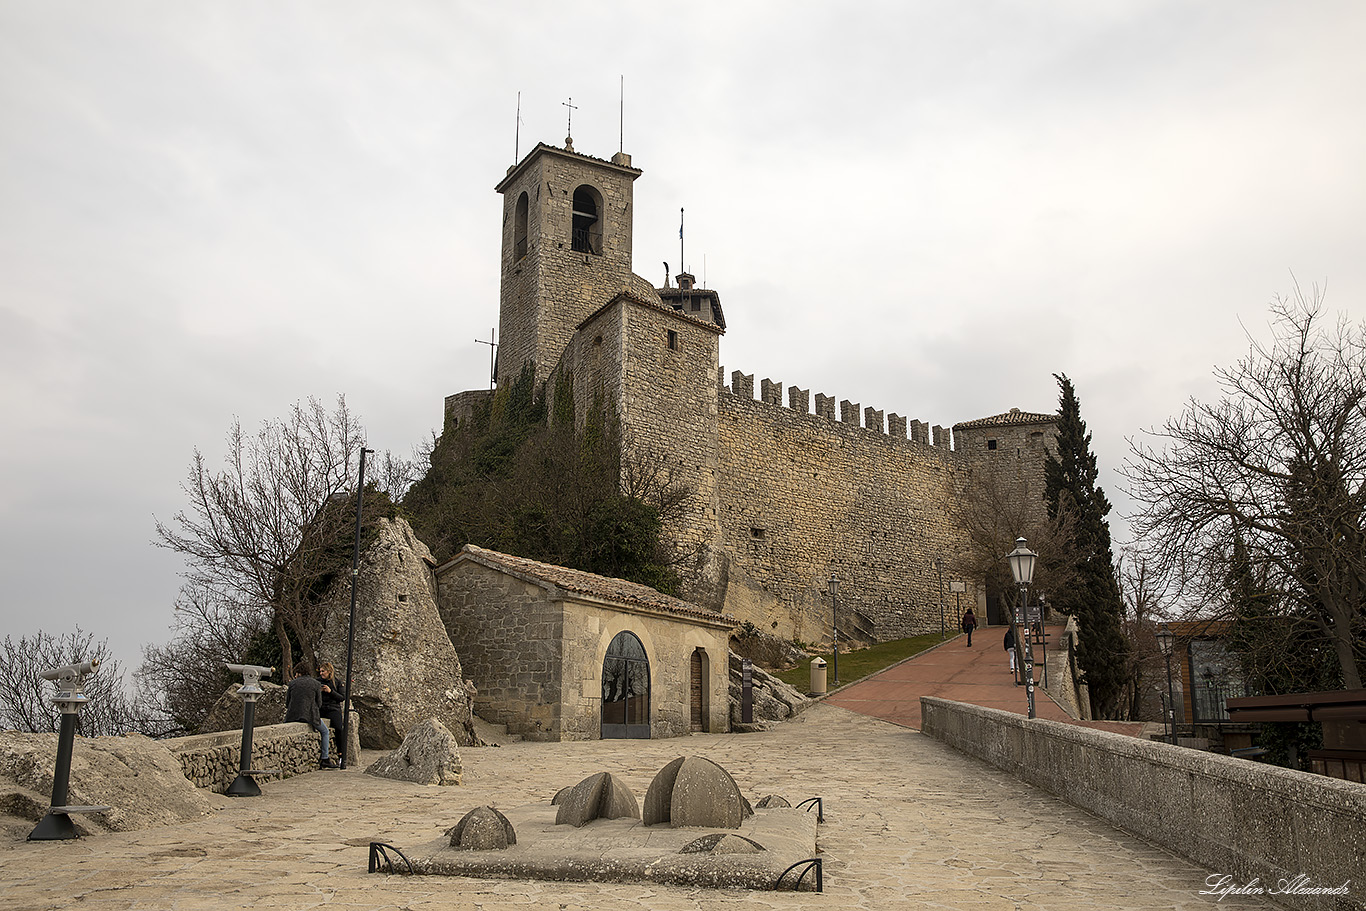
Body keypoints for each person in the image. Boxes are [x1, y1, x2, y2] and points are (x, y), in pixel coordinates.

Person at [285, 660, 335, 769]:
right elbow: (319, 703)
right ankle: (325, 758)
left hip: (293, 715)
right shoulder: (316, 684)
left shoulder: (292, 683)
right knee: (325, 731)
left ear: (298, 673)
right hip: (311, 716)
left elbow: (287, 702)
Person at [318, 661, 347, 765]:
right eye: (320, 671)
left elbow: (342, 697)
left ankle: (341, 753)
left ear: (329, 671)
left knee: (339, 728)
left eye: (323, 671)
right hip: (321, 708)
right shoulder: (317, 682)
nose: (321, 673)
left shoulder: (337, 682)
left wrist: (330, 692)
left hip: (333, 709)